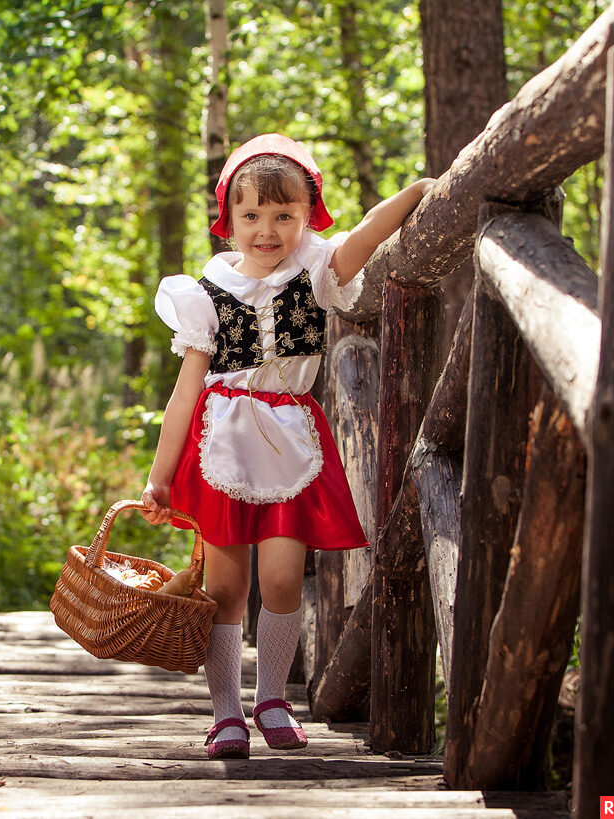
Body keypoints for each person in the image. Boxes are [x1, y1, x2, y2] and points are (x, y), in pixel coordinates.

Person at [140, 133, 434, 760]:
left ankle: (272, 697)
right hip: (221, 441)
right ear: (228, 221)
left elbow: (364, 237)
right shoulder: (206, 291)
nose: (267, 230)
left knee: (281, 576)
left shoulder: (316, 271)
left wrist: (418, 192)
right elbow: (185, 391)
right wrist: (159, 476)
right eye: (251, 216)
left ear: (307, 217)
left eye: (284, 215)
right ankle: (225, 714)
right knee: (223, 588)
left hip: (291, 439)